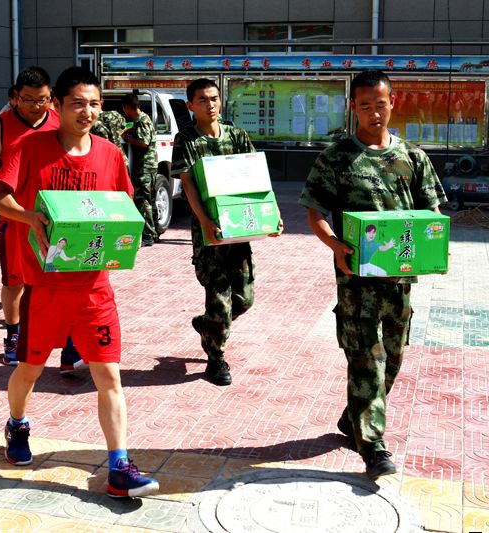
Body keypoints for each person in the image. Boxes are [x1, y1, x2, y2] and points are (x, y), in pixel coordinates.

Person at [0, 66, 159, 498]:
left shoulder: (110, 154)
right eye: (78, 103)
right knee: (29, 370)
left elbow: (121, 209)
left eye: (95, 104)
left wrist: (124, 243)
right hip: (44, 288)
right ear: (58, 106)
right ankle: (17, 424)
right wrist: (30, 217)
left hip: (94, 289)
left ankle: (119, 465)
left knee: (109, 376)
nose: (88, 112)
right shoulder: (30, 148)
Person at [298, 70, 447, 480]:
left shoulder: (413, 157)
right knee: (367, 360)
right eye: (365, 106)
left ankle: (354, 418)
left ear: (393, 103)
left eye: (380, 104)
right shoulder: (336, 158)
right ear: (353, 108)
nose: (374, 113)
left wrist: (434, 241)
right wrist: (336, 246)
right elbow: (315, 212)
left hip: (399, 281)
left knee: (392, 360)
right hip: (356, 282)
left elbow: (432, 212)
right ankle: (373, 446)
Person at [171, 78, 281, 387]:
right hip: (210, 234)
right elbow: (188, 184)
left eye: (214, 98)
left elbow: (257, 177)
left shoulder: (237, 136)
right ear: (191, 106)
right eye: (203, 100)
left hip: (239, 230)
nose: (210, 105)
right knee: (220, 300)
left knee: (243, 299)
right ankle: (216, 359)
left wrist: (272, 215)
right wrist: (205, 221)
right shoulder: (186, 139)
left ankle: (207, 324)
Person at [0, 66, 83, 372]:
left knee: (64, 277)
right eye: (28, 99)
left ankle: (69, 345)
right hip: (17, 216)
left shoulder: (59, 121)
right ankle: (13, 334)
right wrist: (7, 189)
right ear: (15, 97)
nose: (36, 106)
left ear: (52, 98)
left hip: (56, 216)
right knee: (15, 281)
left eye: (42, 99)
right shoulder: (0, 125)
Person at [120, 94, 158, 246]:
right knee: (149, 199)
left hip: (144, 167)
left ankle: (148, 235)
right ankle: (154, 233)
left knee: (143, 201)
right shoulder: (142, 119)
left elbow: (144, 142)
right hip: (149, 166)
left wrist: (128, 138)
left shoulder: (142, 120)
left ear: (127, 107)